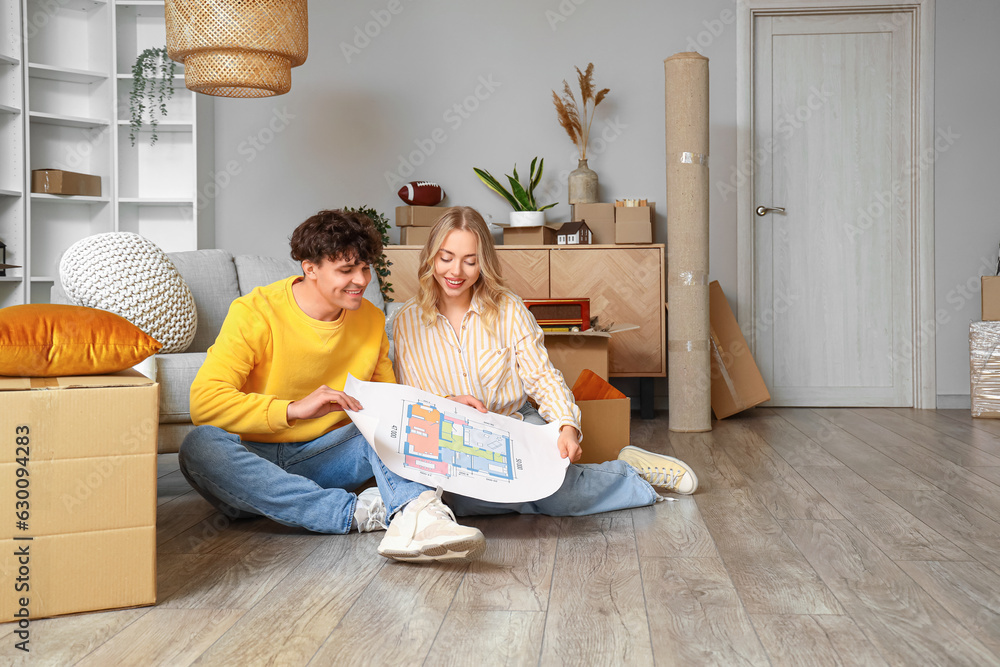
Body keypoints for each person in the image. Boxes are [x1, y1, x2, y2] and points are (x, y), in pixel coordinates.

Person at [178, 209, 485, 562]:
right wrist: (292, 409)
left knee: (386, 428)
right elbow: (204, 403)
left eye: (365, 268)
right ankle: (353, 513)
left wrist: (443, 405)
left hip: (325, 459)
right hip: (252, 461)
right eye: (346, 270)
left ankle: (422, 519)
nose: (361, 280)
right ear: (310, 268)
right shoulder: (255, 312)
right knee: (199, 446)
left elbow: (390, 405)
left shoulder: (370, 320)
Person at [391, 206, 698, 517]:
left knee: (557, 496)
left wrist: (566, 425)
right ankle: (539, 492)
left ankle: (631, 474)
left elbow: (542, 377)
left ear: (483, 264)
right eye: (446, 258)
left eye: (470, 262)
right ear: (430, 256)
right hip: (457, 443)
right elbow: (413, 401)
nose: (456, 272)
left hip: (517, 424)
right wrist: (448, 402)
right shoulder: (407, 321)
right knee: (457, 501)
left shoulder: (508, 309)